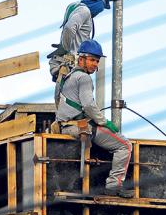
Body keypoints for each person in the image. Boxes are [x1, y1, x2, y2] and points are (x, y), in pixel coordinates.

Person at [54, 39, 134, 197]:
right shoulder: (83, 78)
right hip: (79, 127)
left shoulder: (66, 77)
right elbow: (89, 105)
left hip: (65, 125)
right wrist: (105, 122)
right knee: (125, 145)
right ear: (81, 59)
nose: (95, 64)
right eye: (92, 60)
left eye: (97, 61)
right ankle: (113, 186)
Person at [48, 0, 125, 83]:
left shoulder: (76, 6)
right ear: (96, 2)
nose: (99, 11)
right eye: (101, 7)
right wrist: (64, 47)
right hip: (71, 67)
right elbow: (69, 28)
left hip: (69, 66)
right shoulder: (84, 11)